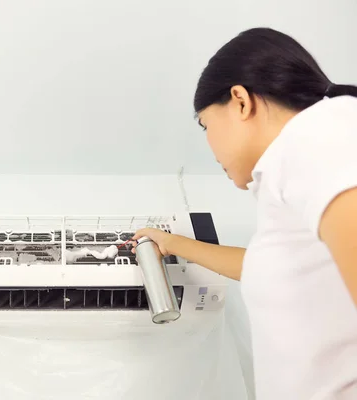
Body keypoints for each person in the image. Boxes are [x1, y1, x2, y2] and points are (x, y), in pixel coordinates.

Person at [133, 28, 357, 399]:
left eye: (206, 125)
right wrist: (173, 243)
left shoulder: (320, 133)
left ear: (240, 101)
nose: (209, 144)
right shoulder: (302, 156)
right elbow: (273, 267)